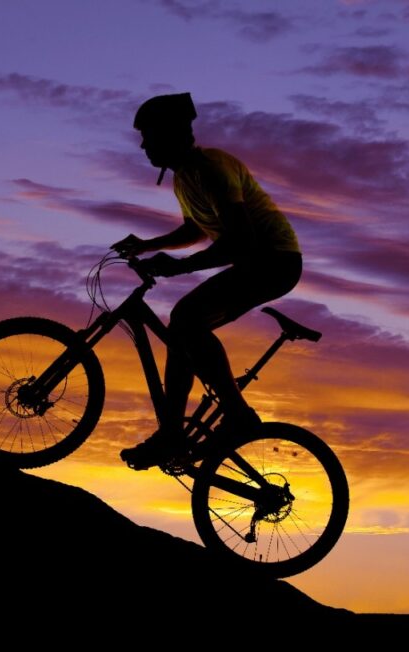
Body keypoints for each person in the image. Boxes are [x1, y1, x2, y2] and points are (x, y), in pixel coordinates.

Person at [111, 92, 302, 470]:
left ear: (172, 134)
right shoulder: (185, 178)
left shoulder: (213, 168)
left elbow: (240, 241)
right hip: (257, 261)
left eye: (149, 136)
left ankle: (236, 417)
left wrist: (180, 267)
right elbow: (195, 229)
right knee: (183, 332)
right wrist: (149, 246)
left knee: (186, 319)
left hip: (273, 260)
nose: (144, 145)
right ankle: (172, 433)